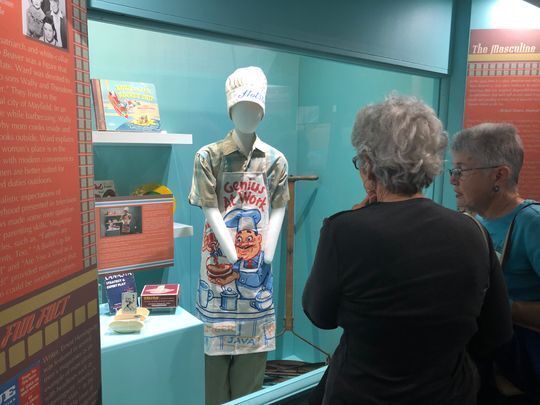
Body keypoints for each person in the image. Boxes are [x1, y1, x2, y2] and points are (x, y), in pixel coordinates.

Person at [302, 95, 513, 405]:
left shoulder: (343, 231)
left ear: (369, 164)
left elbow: (320, 316)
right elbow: (494, 334)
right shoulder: (473, 232)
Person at [189, 66, 289, 405]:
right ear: (230, 109)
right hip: (216, 281)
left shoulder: (276, 161)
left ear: (263, 110)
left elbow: (278, 209)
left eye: (255, 108)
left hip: (256, 284)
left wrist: (268, 252)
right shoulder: (209, 156)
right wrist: (234, 253)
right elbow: (208, 207)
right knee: (212, 384)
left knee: (250, 383)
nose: (249, 114)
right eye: (241, 107)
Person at [451, 123, 540, 400]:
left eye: (462, 170)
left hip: (519, 378)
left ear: (499, 175)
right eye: (453, 170)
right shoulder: (475, 221)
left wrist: (501, 308)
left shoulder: (532, 224)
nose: (453, 180)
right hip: (483, 371)